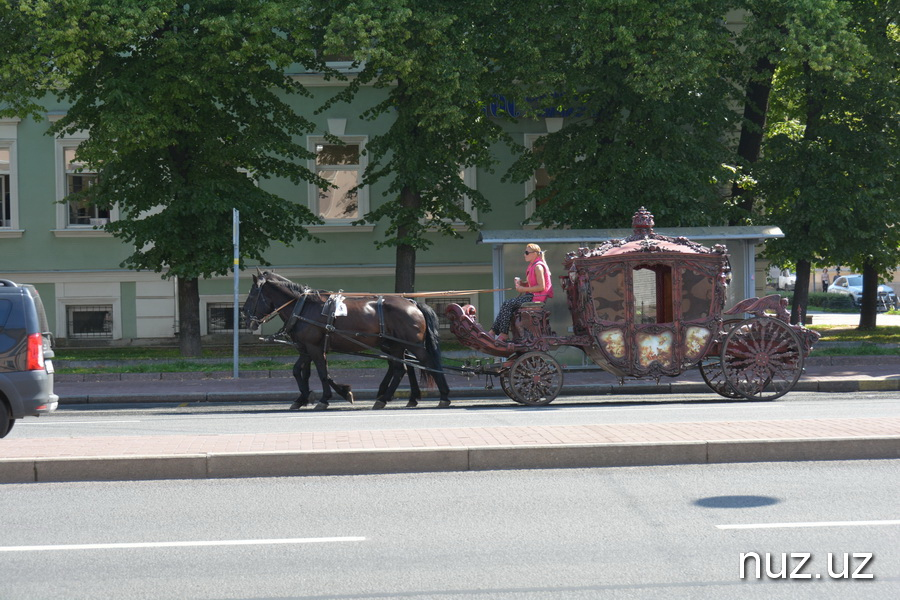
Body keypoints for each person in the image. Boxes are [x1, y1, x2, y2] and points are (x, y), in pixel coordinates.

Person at [488, 243, 553, 342]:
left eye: (526, 252)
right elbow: (532, 283)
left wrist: (523, 289)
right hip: (532, 296)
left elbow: (541, 286)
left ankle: (502, 333)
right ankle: (493, 331)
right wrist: (522, 283)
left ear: (535, 254)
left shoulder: (538, 267)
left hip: (536, 298)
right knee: (507, 303)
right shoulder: (533, 265)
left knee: (508, 303)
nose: (524, 254)